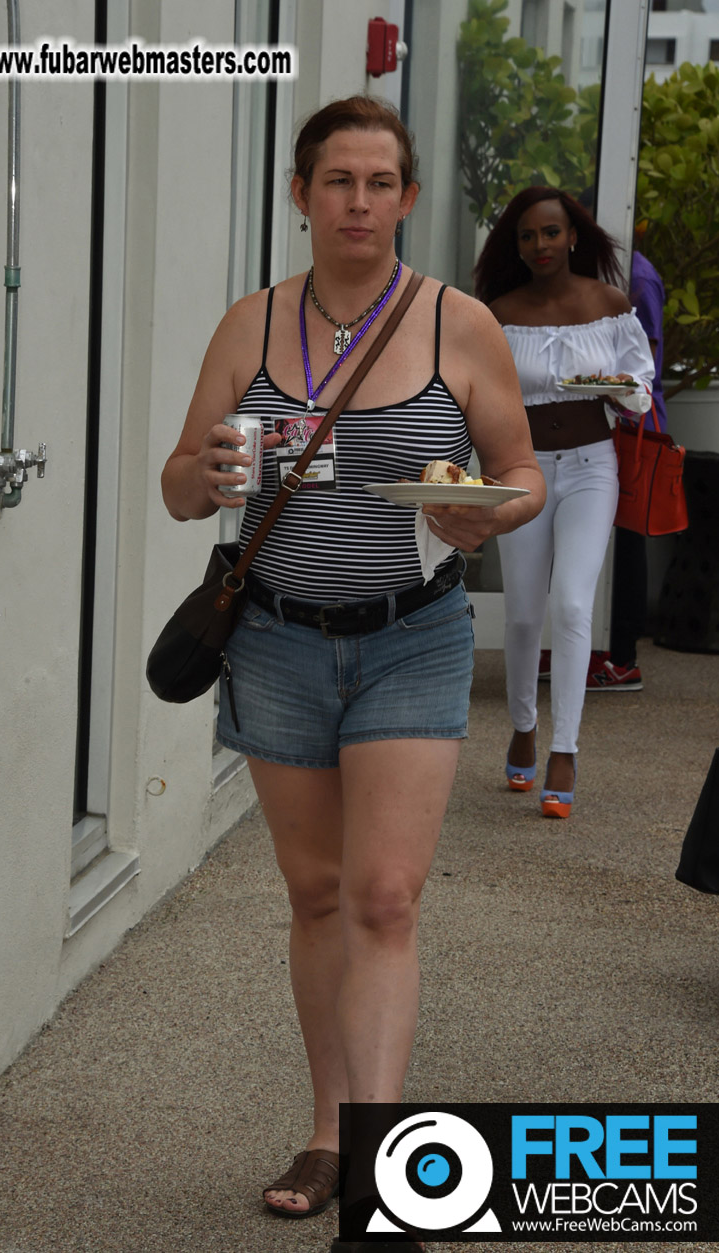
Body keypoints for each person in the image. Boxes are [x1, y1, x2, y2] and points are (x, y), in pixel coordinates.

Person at [162, 96, 544, 1225]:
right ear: (301, 195)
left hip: (411, 636)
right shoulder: (252, 325)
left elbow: (521, 472)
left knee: (384, 895)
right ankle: (328, 1129)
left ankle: (384, 1160)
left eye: (381, 183)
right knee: (319, 892)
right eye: (338, 181)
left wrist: (485, 515)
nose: (360, 202)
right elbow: (181, 481)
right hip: (275, 637)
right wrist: (214, 477)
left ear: (409, 198)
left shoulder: (456, 322)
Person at [474, 187, 654, 818]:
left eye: (550, 233)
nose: (540, 245)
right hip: (521, 471)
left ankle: (565, 749)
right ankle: (523, 725)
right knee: (524, 612)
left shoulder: (608, 304)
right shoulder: (499, 312)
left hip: (590, 468)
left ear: (573, 236)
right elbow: (478, 394)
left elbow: (640, 387)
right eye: (527, 236)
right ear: (515, 246)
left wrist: (616, 387)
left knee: (574, 603)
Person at [586, 227, 669, 691]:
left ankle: (622, 656)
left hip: (637, 430)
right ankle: (594, 648)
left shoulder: (639, 276)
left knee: (628, 539)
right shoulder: (607, 274)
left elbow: (645, 363)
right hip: (607, 425)